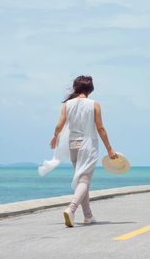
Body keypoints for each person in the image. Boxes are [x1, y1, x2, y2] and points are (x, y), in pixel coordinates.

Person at [49, 75, 118, 227]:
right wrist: (110, 149)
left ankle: (88, 216)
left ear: (75, 88)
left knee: (82, 181)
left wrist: (55, 137)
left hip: (73, 144)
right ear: (90, 89)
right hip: (88, 145)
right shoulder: (94, 104)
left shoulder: (67, 105)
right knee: (84, 180)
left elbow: (59, 125)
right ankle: (71, 209)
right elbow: (100, 128)